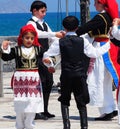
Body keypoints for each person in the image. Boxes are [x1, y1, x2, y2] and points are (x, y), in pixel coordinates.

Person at [42, 15, 110, 129]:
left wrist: (50, 64)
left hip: (66, 75)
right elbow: (94, 53)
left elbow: (47, 55)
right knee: (81, 102)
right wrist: (108, 45)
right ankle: (84, 126)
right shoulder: (83, 40)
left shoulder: (60, 42)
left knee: (64, 100)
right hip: (80, 75)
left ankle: (67, 126)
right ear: (77, 27)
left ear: (64, 27)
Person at [76, 0, 119, 120]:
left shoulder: (100, 17)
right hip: (109, 48)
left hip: (101, 49)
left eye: (96, 2)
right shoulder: (109, 16)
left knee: (98, 80)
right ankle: (110, 108)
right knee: (105, 81)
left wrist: (72, 33)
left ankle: (107, 110)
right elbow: (92, 31)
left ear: (102, 4)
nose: (94, 5)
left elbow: (84, 28)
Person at [0, 24, 44, 129]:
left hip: (33, 79)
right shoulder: (16, 50)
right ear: (22, 38)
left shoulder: (38, 49)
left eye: (32, 38)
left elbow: (48, 58)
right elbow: (6, 58)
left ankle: (30, 124)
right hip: (20, 80)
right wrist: (4, 47)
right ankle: (19, 125)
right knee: (20, 102)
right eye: (27, 38)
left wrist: (50, 62)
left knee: (33, 102)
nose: (29, 40)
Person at [27, 0, 65, 120]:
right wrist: (54, 34)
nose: (44, 14)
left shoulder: (44, 24)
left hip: (45, 57)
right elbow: (38, 34)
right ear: (35, 11)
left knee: (48, 82)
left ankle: (45, 109)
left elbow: (51, 37)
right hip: (35, 57)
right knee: (38, 84)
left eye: (45, 11)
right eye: (42, 11)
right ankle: (36, 111)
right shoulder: (31, 23)